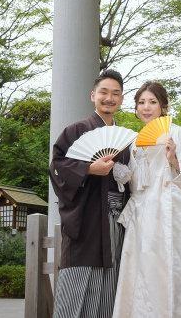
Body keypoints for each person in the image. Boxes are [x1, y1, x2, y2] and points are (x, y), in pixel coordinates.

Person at [112, 81, 181, 318]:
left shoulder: (177, 133)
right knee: (142, 276)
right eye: (141, 103)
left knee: (177, 272)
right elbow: (132, 181)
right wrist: (119, 173)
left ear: (163, 106)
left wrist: (175, 158)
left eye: (152, 102)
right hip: (142, 217)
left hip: (171, 214)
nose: (146, 107)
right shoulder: (131, 141)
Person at [49, 69, 133, 318]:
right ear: (93, 95)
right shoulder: (76, 131)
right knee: (78, 279)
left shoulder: (125, 141)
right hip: (88, 219)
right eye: (104, 92)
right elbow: (57, 166)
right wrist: (88, 169)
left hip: (118, 222)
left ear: (121, 99)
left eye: (115, 93)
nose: (109, 98)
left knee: (112, 282)